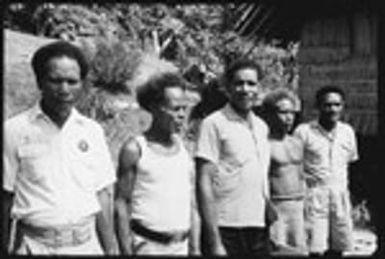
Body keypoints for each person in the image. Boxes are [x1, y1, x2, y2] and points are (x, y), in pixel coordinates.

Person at [3, 41, 118, 255]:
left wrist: (110, 248)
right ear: (39, 81)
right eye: (55, 81)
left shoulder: (92, 131)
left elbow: (102, 194)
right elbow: (5, 196)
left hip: (86, 245)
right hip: (34, 246)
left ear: (82, 84)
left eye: (72, 81)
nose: (64, 90)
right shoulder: (14, 130)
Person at [195, 58, 271, 257]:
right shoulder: (214, 123)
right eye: (239, 83)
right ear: (228, 88)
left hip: (258, 226)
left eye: (251, 83)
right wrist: (214, 241)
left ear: (259, 88)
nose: (245, 89)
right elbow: (204, 181)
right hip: (226, 226)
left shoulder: (262, 127)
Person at [114, 72, 196, 255]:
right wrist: (126, 250)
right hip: (148, 246)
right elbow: (121, 202)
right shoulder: (135, 150)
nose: (181, 115)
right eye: (175, 109)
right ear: (154, 108)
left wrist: (195, 248)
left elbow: (190, 202)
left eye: (184, 109)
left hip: (181, 246)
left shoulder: (184, 150)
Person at [294, 86, 359, 258]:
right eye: (327, 105)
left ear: (343, 106)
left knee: (339, 247)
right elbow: (294, 165)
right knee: (315, 248)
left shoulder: (348, 132)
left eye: (337, 105)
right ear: (318, 106)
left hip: (340, 196)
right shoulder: (303, 132)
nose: (332, 109)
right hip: (314, 196)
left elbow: (350, 163)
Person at [261, 89, 307, 255]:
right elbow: (260, 179)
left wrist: (305, 203)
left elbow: (302, 174)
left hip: (298, 205)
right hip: (277, 206)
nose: (289, 118)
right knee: (278, 250)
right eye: (283, 112)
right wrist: (267, 207)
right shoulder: (265, 144)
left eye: (292, 113)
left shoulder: (297, 142)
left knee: (299, 251)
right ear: (270, 114)